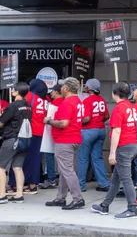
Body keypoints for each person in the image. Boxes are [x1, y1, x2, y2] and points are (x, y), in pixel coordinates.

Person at [91, 82, 137, 219]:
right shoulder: (130, 107)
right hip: (132, 144)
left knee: (126, 179)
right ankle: (105, 205)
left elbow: (117, 131)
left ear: (114, 94)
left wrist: (112, 152)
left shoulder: (119, 109)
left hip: (123, 146)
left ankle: (132, 209)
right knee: (116, 179)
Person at [43, 77, 85, 210]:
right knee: (65, 169)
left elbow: (63, 123)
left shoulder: (67, 103)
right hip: (74, 138)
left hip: (65, 139)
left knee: (67, 170)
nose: (60, 88)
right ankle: (61, 197)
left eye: (62, 87)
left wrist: (48, 121)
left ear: (66, 89)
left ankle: (78, 198)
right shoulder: (78, 101)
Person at [7, 79, 46, 195]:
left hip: (27, 132)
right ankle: (33, 185)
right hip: (40, 132)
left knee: (17, 157)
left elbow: (19, 107)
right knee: (35, 159)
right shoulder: (43, 100)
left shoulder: (29, 95)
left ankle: (13, 184)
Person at [0, 83, 32, 204]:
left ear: (17, 92)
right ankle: (19, 195)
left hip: (12, 139)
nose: (12, 91)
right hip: (25, 139)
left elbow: (1, 123)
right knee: (18, 167)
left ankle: (2, 195)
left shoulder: (12, 106)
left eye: (13, 89)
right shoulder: (28, 106)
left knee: (1, 167)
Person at [77, 79, 110, 193]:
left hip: (88, 131)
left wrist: (76, 122)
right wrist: (99, 120)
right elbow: (107, 116)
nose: (85, 87)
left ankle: (80, 186)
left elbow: (86, 118)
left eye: (86, 86)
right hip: (101, 130)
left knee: (82, 158)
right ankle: (104, 183)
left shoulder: (87, 101)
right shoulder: (102, 100)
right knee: (97, 157)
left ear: (89, 88)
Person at [40, 84, 63, 190]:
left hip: (53, 132)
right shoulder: (65, 101)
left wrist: (47, 120)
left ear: (56, 91)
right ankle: (59, 178)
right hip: (63, 133)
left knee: (49, 155)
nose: (51, 93)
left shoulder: (55, 103)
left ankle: (51, 179)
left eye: (52, 91)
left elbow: (50, 119)